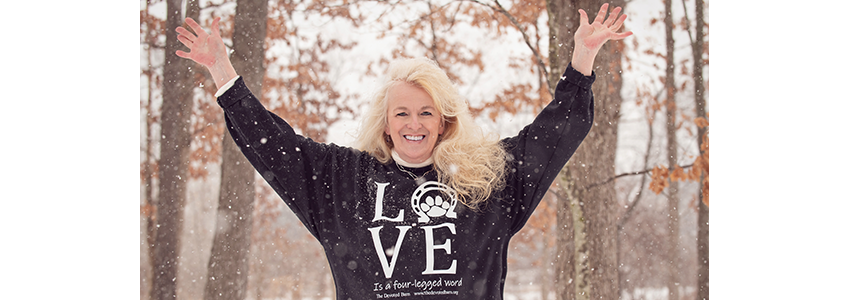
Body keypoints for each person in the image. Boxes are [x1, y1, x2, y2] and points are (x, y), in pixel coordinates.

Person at [175, 3, 631, 299]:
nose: (415, 124)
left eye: (427, 113)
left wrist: (582, 62)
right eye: (403, 114)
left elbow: (552, 136)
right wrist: (222, 71)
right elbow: (275, 147)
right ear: (386, 123)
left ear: (444, 121)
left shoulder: (484, 180)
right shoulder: (343, 183)